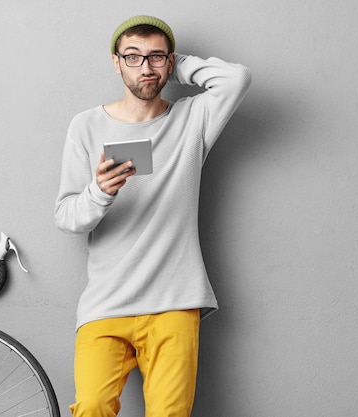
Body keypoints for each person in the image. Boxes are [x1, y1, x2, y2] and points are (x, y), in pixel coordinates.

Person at [55, 15, 251, 417]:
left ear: (170, 61)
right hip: (106, 305)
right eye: (133, 57)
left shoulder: (191, 119)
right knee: (90, 406)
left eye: (155, 57)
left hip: (175, 302)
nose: (145, 67)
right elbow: (67, 218)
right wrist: (99, 192)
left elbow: (237, 79)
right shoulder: (86, 126)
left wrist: (171, 65)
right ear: (115, 62)